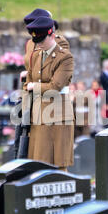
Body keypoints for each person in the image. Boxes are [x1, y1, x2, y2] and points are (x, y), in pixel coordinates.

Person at [23, 16, 74, 171]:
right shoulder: (36, 55)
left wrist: (35, 87)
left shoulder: (64, 56)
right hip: (38, 115)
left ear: (51, 35)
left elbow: (56, 86)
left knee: (58, 164)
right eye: (37, 41)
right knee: (38, 164)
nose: (39, 45)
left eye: (42, 41)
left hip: (57, 115)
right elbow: (27, 83)